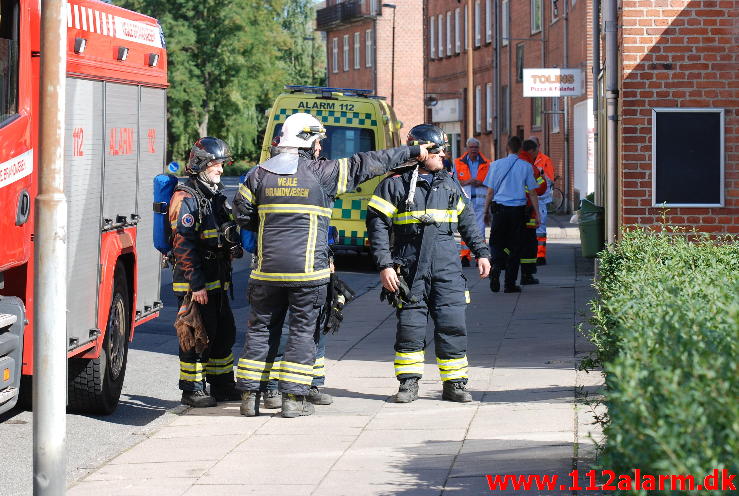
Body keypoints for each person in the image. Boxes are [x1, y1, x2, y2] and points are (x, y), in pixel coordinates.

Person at [232, 112, 429, 418]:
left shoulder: (257, 175)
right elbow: (369, 163)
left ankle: (249, 399)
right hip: (309, 274)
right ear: (308, 141)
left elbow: (242, 214)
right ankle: (292, 401)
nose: (320, 148)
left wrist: (272, 227)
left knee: (260, 332)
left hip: (266, 273)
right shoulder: (323, 173)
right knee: (302, 333)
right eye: (318, 141)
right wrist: (413, 152)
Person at [367, 124, 491, 404]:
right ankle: (409, 384)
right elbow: (377, 227)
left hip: (447, 268)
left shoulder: (448, 183)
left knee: (453, 324)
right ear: (421, 150)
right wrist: (385, 265)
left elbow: (467, 220)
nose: (444, 155)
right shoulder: (394, 184)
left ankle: (455, 384)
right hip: (410, 268)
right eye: (438, 150)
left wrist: (481, 253)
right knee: (410, 326)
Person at [169, 137, 242, 407]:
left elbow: (222, 231)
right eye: (216, 165)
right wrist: (197, 284)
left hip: (217, 278)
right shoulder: (185, 197)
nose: (221, 170)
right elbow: (183, 245)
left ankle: (222, 386)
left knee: (224, 333)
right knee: (195, 335)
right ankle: (192, 390)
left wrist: (232, 243)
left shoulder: (213, 195)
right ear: (200, 164)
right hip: (194, 283)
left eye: (222, 164)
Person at [483, 136, 541, 293]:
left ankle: (495, 265)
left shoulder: (495, 165)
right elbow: (533, 193)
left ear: (507, 148)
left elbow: (490, 192)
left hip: (499, 211)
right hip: (517, 212)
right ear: (520, 148)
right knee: (515, 247)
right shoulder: (526, 166)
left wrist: (485, 211)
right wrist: (538, 214)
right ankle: (509, 284)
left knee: (496, 242)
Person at [455, 138, 490, 266]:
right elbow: (454, 181)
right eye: (471, 147)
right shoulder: (458, 163)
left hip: (481, 201)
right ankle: (465, 256)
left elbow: (491, 181)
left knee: (480, 229)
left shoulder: (487, 163)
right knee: (465, 227)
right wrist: (467, 181)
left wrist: (482, 183)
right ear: (467, 148)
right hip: (465, 200)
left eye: (476, 147)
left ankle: (480, 256)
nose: (474, 150)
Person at [518, 140, 547, 285]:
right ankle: (527, 275)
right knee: (529, 244)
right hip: (528, 210)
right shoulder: (530, 166)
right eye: (536, 152)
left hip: (509, 209)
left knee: (510, 242)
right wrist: (542, 177)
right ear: (531, 151)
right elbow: (540, 188)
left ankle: (500, 270)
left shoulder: (510, 164)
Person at [529, 136, 554, 264]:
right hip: (527, 200)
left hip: (541, 200)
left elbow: (549, 180)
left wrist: (540, 175)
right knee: (528, 228)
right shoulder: (524, 160)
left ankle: (540, 255)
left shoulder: (545, 160)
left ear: (539, 145)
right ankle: (529, 253)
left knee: (540, 228)